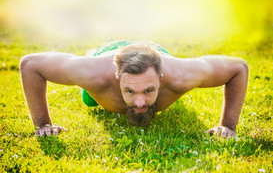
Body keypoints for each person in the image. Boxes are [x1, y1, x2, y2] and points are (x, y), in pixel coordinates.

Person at [19, 40, 248, 138]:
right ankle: (93, 49)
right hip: (107, 53)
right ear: (117, 80)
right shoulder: (91, 74)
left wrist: (228, 126)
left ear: (161, 79)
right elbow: (30, 65)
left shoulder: (182, 75)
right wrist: (43, 124)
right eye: (129, 91)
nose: (139, 102)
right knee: (88, 99)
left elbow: (238, 68)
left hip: (156, 51)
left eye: (148, 90)